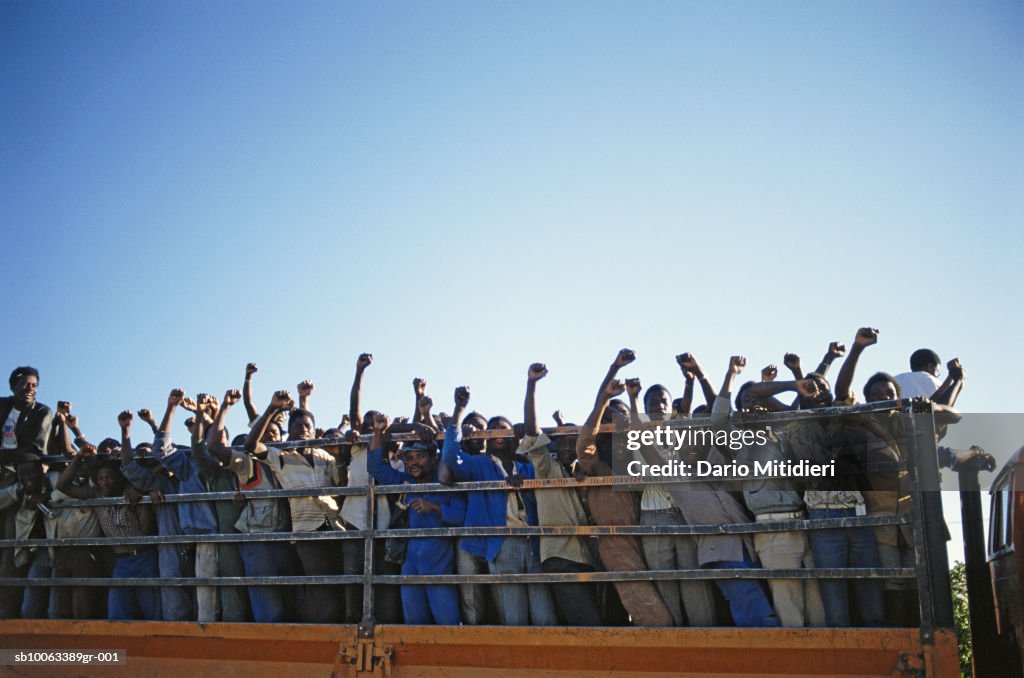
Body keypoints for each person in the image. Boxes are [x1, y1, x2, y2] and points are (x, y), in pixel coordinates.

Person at [714, 358, 825, 628]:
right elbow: (717, 421)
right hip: (771, 526)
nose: (755, 407)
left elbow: (797, 412)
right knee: (790, 608)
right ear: (740, 410)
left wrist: (779, 389)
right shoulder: (739, 439)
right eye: (748, 404)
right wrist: (732, 375)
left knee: (818, 607)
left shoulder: (781, 430)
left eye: (759, 403)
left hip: (804, 523)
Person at [441, 385, 557, 626]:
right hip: (503, 543)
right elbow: (452, 459)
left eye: (504, 429)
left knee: (544, 612)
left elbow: (546, 459)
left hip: (533, 540)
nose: (498, 434)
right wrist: (458, 412)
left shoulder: (526, 466)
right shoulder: (480, 465)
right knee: (514, 614)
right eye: (492, 431)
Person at [574, 349, 673, 627]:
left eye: (624, 419)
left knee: (670, 595)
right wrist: (608, 390)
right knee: (652, 612)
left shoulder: (637, 456)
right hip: (616, 538)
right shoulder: (597, 464)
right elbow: (585, 443)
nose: (618, 424)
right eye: (612, 420)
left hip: (650, 532)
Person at [248, 389, 345, 623]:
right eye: (298, 427)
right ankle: (325, 632)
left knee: (341, 582)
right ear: (289, 431)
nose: (303, 430)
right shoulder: (281, 456)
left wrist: (339, 456)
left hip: (335, 527)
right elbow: (252, 444)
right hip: (306, 531)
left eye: (308, 427)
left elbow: (341, 484)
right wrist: (272, 409)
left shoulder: (324, 456)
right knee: (321, 586)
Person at [519, 363, 602, 625]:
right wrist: (532, 384)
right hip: (559, 558)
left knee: (594, 619)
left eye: (573, 440)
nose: (569, 445)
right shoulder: (546, 468)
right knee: (588, 623)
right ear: (552, 445)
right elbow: (532, 431)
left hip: (586, 556)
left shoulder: (584, 471)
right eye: (563, 440)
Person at [366, 415, 465, 624]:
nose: (413, 463)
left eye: (419, 457)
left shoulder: (446, 485)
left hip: (439, 568)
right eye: (409, 458)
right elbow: (375, 468)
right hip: (410, 566)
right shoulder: (406, 482)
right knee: (414, 624)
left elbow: (460, 516)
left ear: (433, 458)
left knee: (448, 624)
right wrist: (378, 432)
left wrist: (435, 507)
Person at [208, 389, 293, 622]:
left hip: (285, 539)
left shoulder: (290, 460)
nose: (272, 439)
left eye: (276, 435)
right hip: (258, 540)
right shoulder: (249, 465)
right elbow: (214, 446)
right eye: (266, 435)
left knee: (290, 600)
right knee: (269, 607)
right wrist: (225, 407)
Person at [57, 444, 161, 620]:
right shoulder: (96, 494)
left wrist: (141, 502)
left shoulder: (131, 492)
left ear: (118, 479)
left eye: (109, 477)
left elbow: (148, 529)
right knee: (117, 614)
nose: (104, 481)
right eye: (100, 478)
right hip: (121, 560)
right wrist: (78, 457)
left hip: (145, 557)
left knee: (152, 613)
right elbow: (62, 485)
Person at [341, 353, 398, 623]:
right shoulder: (357, 446)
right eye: (368, 425)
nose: (371, 428)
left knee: (383, 575)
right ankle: (353, 621)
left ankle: (385, 622)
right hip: (354, 519)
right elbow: (354, 410)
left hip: (384, 522)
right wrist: (359, 371)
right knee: (354, 576)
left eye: (377, 426)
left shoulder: (391, 457)